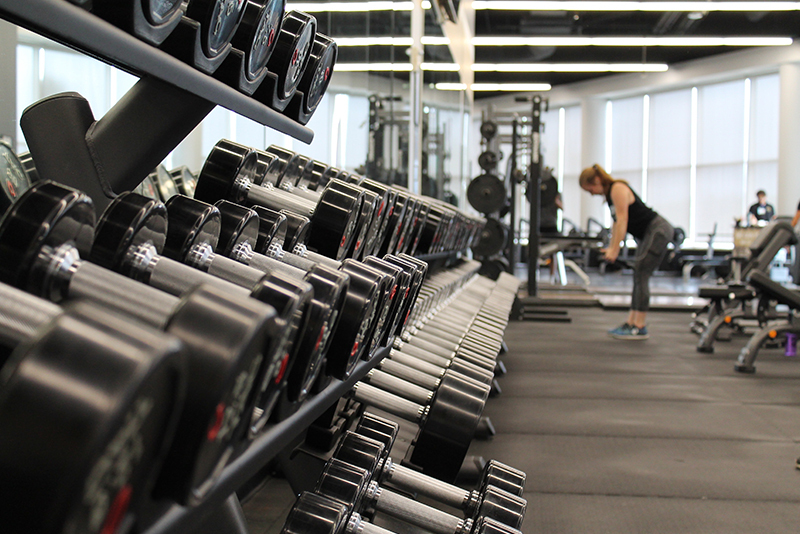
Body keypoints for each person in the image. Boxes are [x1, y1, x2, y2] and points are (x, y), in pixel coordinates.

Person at [579, 164, 675, 340]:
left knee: (641, 272)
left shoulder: (618, 188)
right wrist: (611, 247)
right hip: (648, 234)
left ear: (597, 180)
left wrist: (615, 249)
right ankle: (631, 322)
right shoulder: (610, 196)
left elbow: (623, 220)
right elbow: (616, 223)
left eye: (590, 188)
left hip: (658, 231)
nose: (591, 193)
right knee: (638, 273)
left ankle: (639, 325)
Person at [539, 167, 563, 236]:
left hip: (551, 224)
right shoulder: (538, 193)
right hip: (539, 225)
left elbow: (562, 207)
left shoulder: (556, 194)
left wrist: (556, 201)